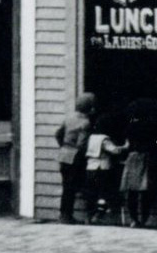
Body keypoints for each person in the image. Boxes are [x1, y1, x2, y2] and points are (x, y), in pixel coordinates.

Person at [120, 98, 157, 228]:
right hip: (147, 158)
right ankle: (144, 219)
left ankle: (134, 219)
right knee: (146, 191)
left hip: (133, 158)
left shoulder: (130, 126)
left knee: (132, 190)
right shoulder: (152, 125)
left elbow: (127, 144)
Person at [55, 92, 95, 224]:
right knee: (72, 187)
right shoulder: (85, 122)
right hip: (75, 157)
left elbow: (58, 134)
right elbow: (82, 143)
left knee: (66, 186)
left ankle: (64, 214)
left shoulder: (69, 118)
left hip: (64, 154)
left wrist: (63, 145)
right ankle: (68, 216)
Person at [84, 120, 129, 224]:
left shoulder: (91, 137)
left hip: (90, 167)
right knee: (103, 193)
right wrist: (125, 146)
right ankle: (98, 214)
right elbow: (114, 150)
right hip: (102, 168)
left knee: (91, 193)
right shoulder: (104, 139)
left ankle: (88, 216)